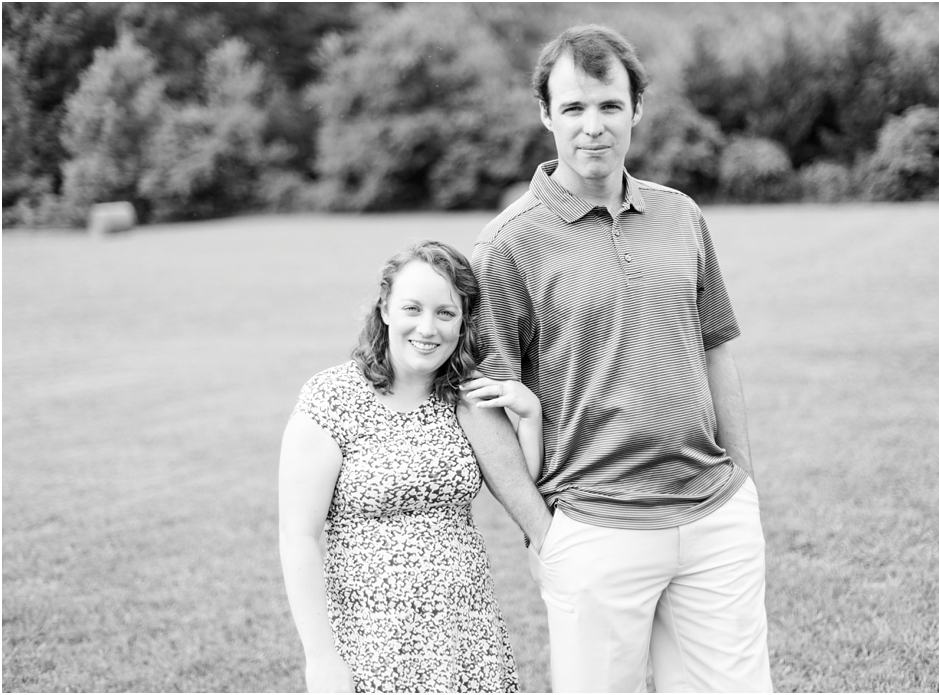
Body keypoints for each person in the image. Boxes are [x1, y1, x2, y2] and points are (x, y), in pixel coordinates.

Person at [457, 24, 773, 693]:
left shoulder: (680, 215)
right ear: (546, 114)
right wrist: (544, 532)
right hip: (595, 529)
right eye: (573, 107)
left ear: (637, 109)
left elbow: (716, 349)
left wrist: (742, 481)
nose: (593, 126)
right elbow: (480, 405)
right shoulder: (507, 244)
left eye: (609, 105)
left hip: (715, 519)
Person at [278, 240, 526, 693]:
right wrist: (322, 657)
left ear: (463, 322)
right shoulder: (332, 398)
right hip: (372, 641)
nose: (427, 328)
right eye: (412, 308)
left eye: (445, 313)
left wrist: (530, 416)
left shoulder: (465, 398)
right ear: (385, 308)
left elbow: (524, 488)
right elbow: (298, 537)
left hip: (466, 636)